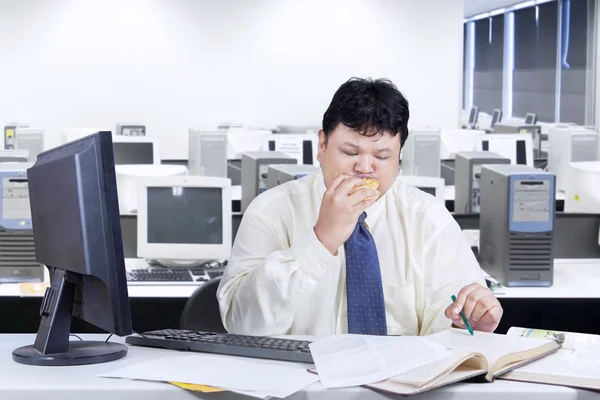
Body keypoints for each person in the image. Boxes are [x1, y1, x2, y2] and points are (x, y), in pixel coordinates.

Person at [217, 77, 503, 336]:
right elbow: (241, 323)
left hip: (399, 387)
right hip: (301, 388)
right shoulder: (271, 211)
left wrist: (467, 322)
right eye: (350, 152)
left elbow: (452, 319)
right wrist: (320, 241)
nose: (365, 167)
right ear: (322, 146)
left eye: (382, 156)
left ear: (399, 157)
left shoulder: (429, 219)